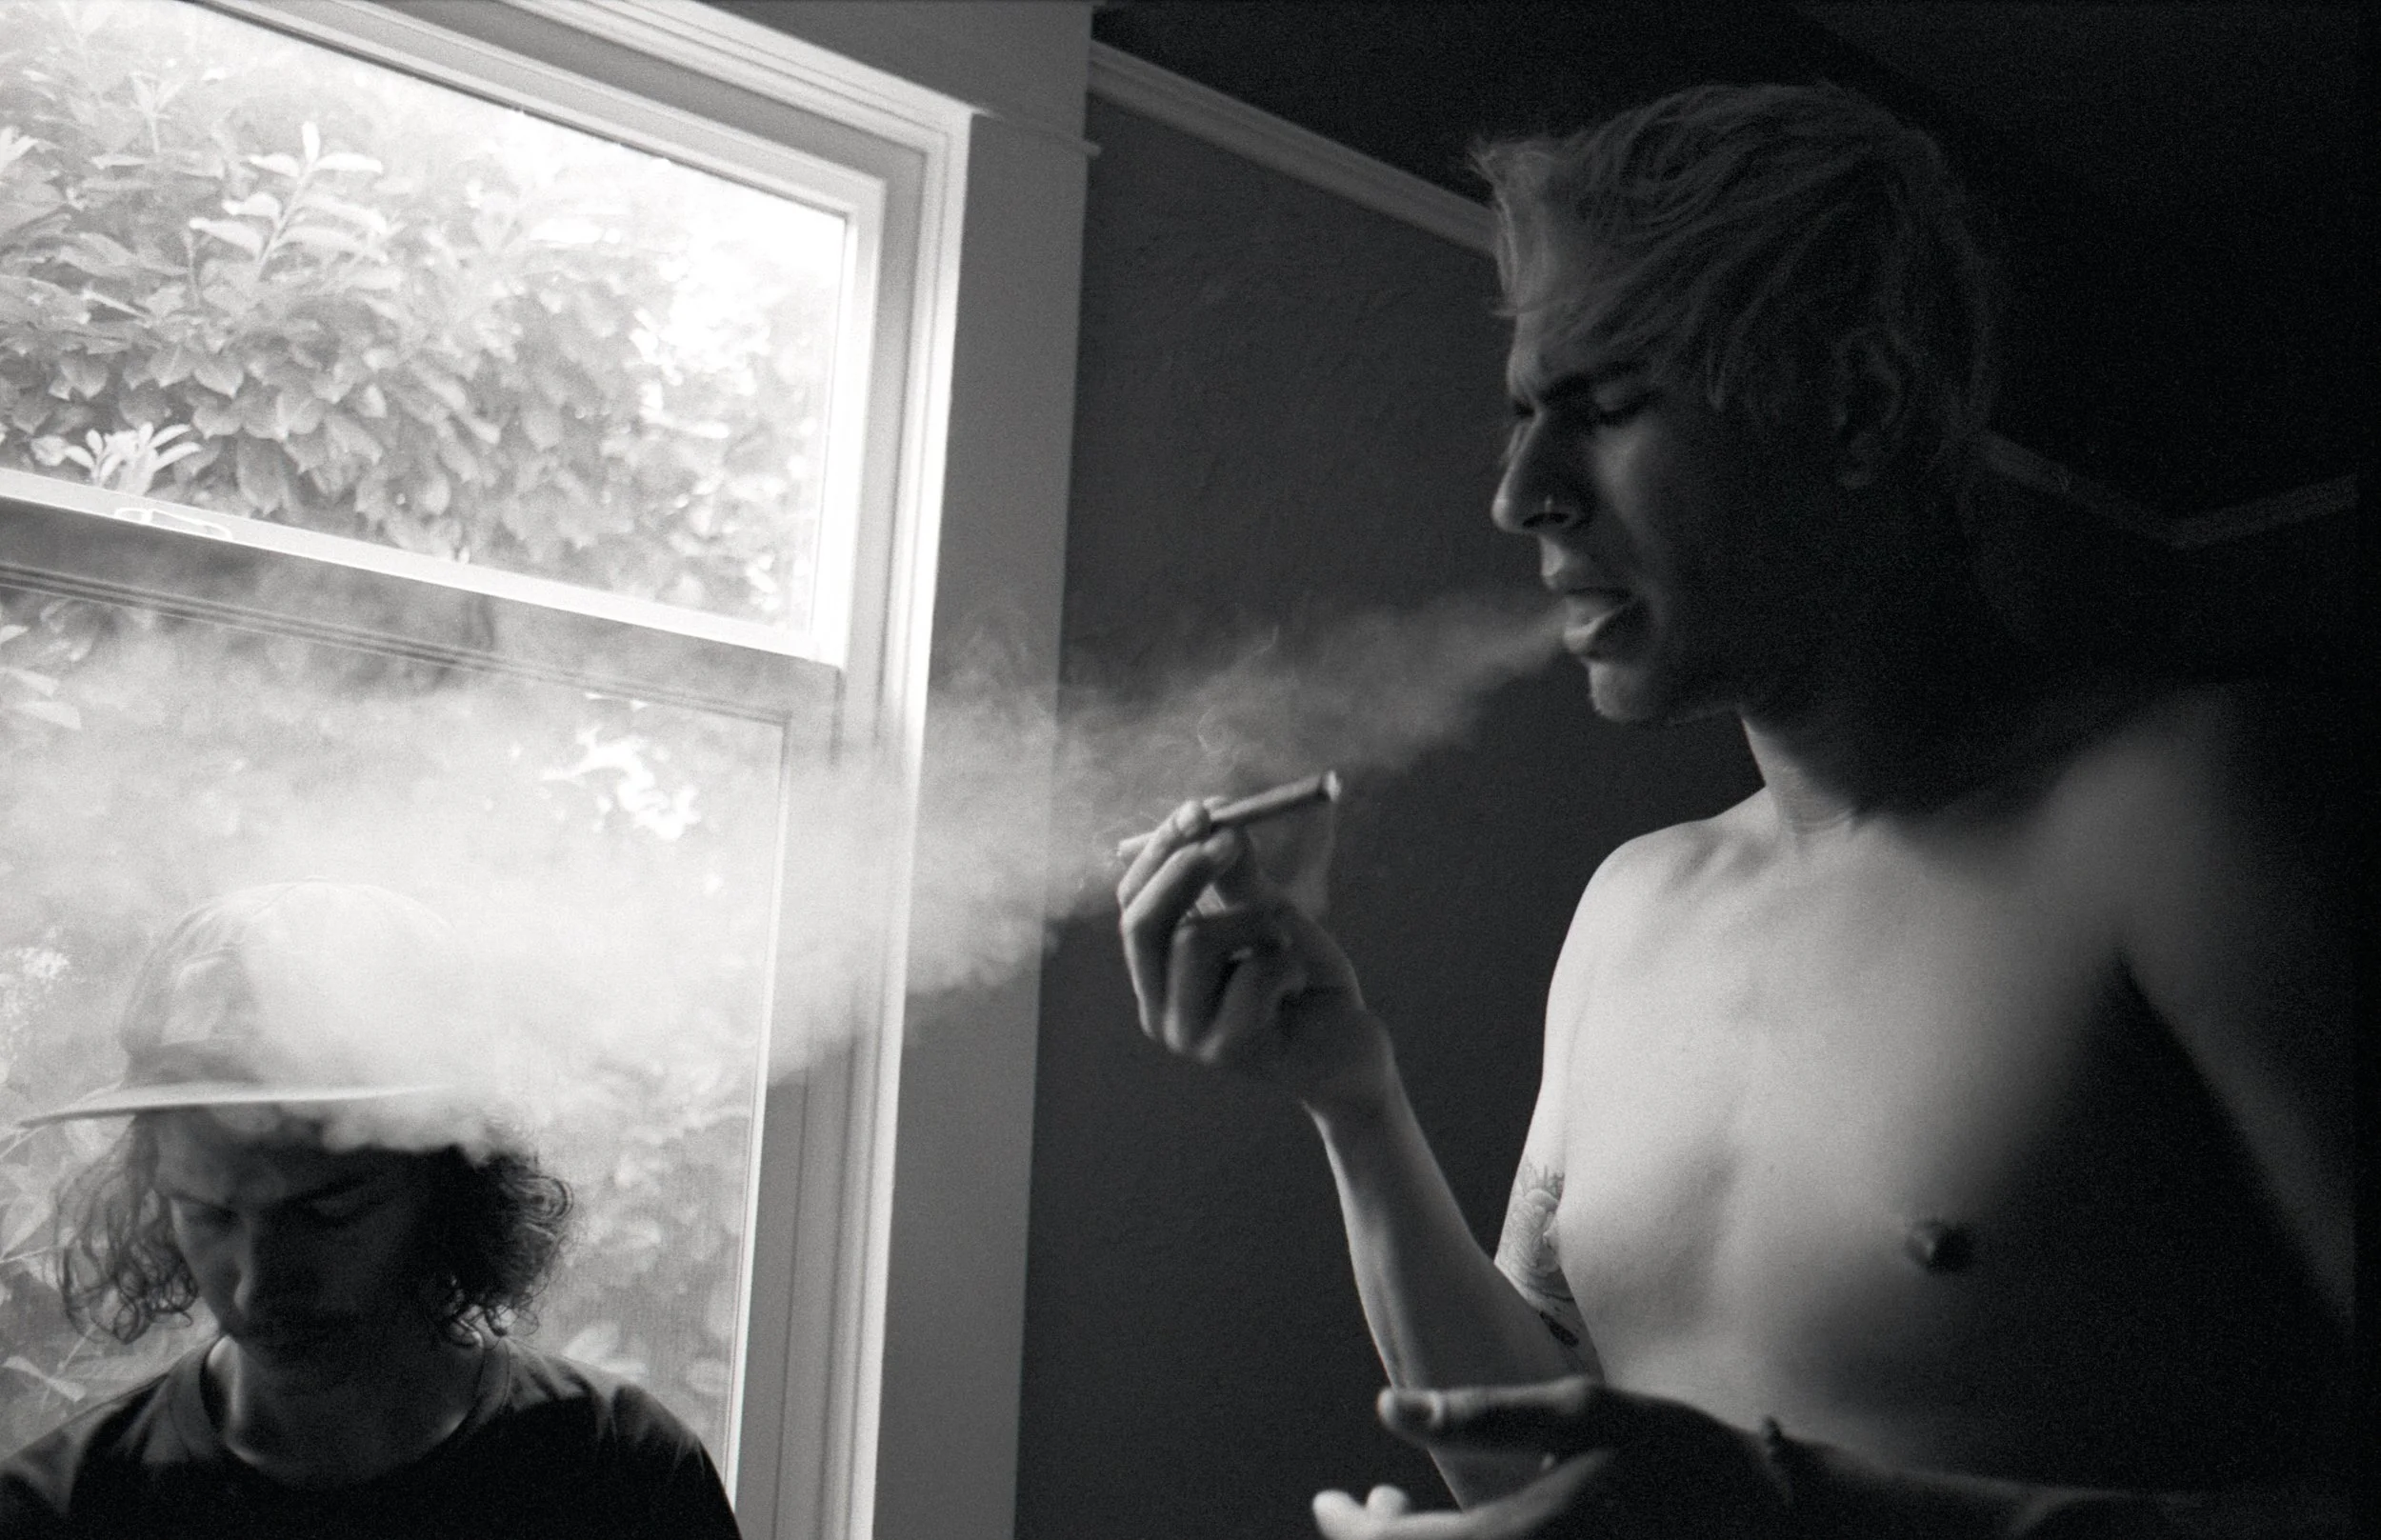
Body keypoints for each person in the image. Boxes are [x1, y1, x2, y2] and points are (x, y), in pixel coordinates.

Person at [1116, 84, 2351, 1539]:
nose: (1521, 496)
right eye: (1524, 414)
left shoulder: (2189, 816)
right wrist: (1351, 1099)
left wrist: (1803, 1517)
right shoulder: (1633, 907)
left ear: (1859, 408)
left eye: (1608, 406)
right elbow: (1537, 1461)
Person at [0, 882, 744, 1539]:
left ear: (450, 1186)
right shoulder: (61, 1507)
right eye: (208, 1214)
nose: (259, 1284)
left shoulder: (622, 1477)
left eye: (327, 1212)